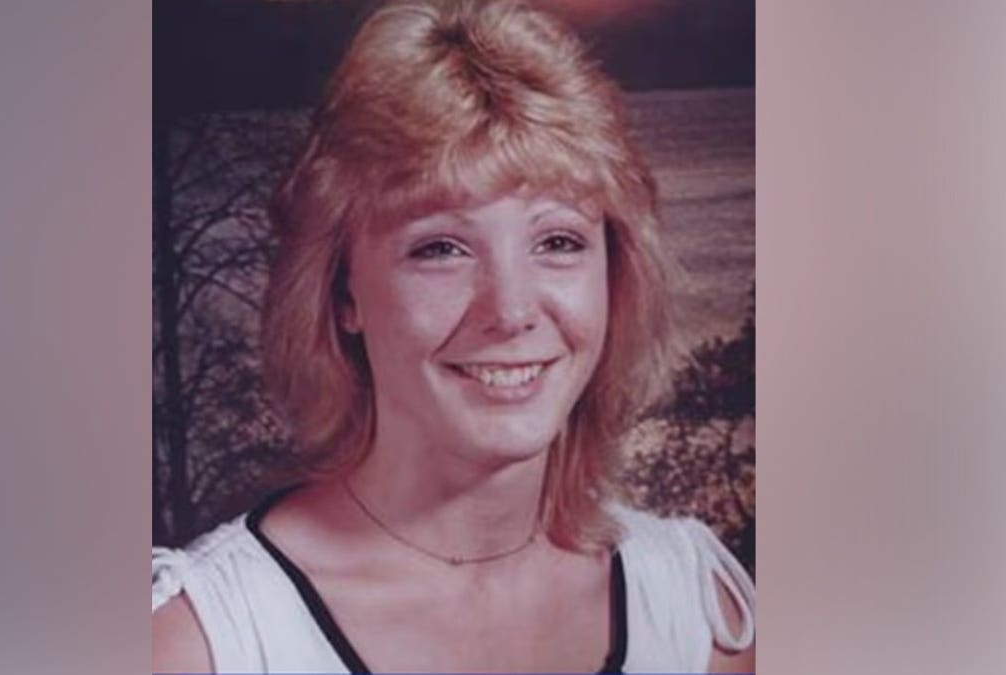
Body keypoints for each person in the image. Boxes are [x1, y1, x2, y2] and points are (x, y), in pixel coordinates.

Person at [152, 0, 755, 672]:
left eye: (558, 241)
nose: (512, 311)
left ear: (614, 274)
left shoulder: (695, 616)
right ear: (343, 292)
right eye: (440, 248)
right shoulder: (202, 642)